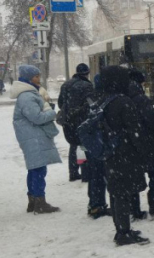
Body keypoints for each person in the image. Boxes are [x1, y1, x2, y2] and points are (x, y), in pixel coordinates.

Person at [100, 65, 150, 245]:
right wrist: (142, 152)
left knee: (115, 192)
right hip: (125, 153)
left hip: (110, 153)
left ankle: (121, 228)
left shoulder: (103, 100)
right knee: (122, 193)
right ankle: (124, 233)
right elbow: (135, 131)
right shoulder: (123, 102)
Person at [9, 65, 62, 213]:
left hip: (32, 136)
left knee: (34, 168)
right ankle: (39, 201)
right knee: (38, 169)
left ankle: (33, 201)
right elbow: (36, 117)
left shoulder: (29, 93)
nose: (39, 79)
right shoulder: (27, 95)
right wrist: (51, 113)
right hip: (33, 137)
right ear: (28, 78)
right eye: (36, 76)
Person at [128, 69, 154, 219]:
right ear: (141, 83)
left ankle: (135, 210)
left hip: (130, 144)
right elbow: (152, 119)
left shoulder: (123, 97)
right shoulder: (141, 98)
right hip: (146, 142)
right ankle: (153, 206)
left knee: (134, 176)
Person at [58, 64, 94, 182]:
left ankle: (73, 172)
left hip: (67, 120)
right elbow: (90, 103)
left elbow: (60, 103)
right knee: (83, 145)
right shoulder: (87, 86)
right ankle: (85, 173)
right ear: (87, 73)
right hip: (81, 119)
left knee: (73, 145)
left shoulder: (65, 85)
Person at [85, 73, 111, 219]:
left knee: (95, 175)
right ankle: (98, 205)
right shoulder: (104, 98)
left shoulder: (90, 97)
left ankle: (95, 204)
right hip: (101, 142)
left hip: (93, 143)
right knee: (102, 175)